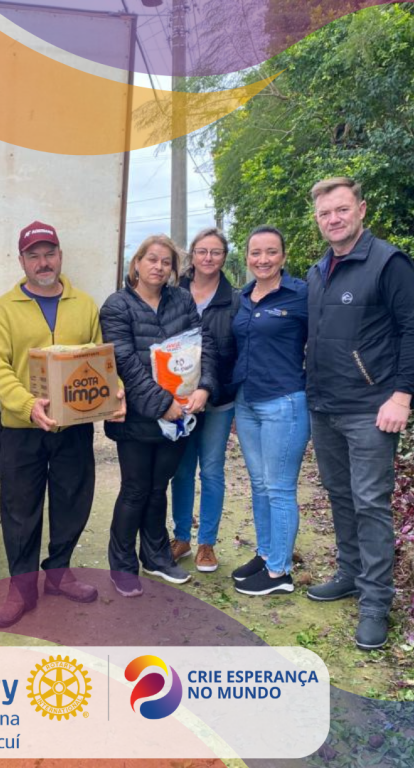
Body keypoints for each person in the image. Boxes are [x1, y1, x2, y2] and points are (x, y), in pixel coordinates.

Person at [306, 177, 414, 651]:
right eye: (325, 213)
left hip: (371, 409)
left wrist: (402, 396)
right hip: (325, 405)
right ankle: (350, 574)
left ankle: (377, 602)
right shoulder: (319, 271)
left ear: (361, 209)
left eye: (342, 209)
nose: (333, 219)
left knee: (370, 503)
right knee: (340, 496)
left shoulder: (388, 262)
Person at [0, 221, 125, 628]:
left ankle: (59, 572)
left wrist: (114, 392)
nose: (43, 262)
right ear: (21, 261)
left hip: (73, 427)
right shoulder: (5, 308)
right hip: (22, 427)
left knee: (73, 501)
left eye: (49, 254)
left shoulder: (84, 304)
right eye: (34, 256)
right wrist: (27, 405)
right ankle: (22, 587)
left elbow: (100, 360)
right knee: (19, 509)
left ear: (60, 256)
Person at [100, 234, 217, 598]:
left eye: (166, 262)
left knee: (157, 487)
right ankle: (121, 565)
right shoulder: (117, 305)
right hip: (137, 418)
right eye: (152, 259)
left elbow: (202, 345)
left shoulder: (181, 299)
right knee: (135, 489)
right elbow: (123, 361)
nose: (159, 267)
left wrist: (204, 388)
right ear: (136, 263)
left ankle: (155, 556)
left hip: (178, 415)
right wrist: (162, 403)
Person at [230, 226, 310, 597]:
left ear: (283, 256)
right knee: (260, 484)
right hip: (246, 401)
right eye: (256, 252)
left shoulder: (301, 295)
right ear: (247, 256)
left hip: (284, 402)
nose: (263, 259)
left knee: (279, 488)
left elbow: (326, 339)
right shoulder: (243, 297)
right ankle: (266, 554)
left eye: (271, 252)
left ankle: (280, 572)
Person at [170, 227, 240, 573]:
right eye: (202, 251)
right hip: (179, 399)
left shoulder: (235, 299)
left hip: (219, 399)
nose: (208, 258)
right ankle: (181, 537)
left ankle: (207, 543)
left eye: (216, 252)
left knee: (211, 469)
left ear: (224, 257)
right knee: (181, 470)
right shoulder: (173, 293)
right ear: (192, 255)